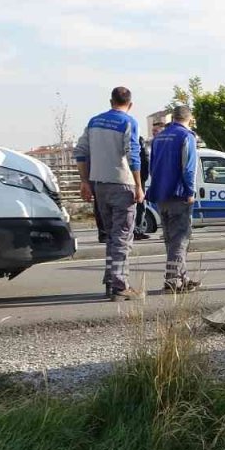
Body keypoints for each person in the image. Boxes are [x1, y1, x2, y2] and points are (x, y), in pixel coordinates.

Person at [75, 86, 144, 301]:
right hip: (122, 183)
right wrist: (139, 185)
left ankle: (110, 279)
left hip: (99, 184)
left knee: (111, 236)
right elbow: (133, 154)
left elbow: (80, 151)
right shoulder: (128, 122)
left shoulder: (94, 121)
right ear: (130, 104)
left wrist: (85, 181)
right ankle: (120, 285)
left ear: (110, 101)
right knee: (123, 237)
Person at [147, 105, 201, 293]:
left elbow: (152, 166)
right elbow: (189, 168)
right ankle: (171, 281)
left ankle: (182, 278)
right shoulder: (187, 137)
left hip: (160, 194)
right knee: (180, 239)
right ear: (189, 118)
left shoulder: (158, 137)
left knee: (171, 239)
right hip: (179, 193)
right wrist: (190, 191)